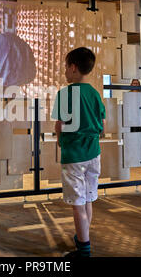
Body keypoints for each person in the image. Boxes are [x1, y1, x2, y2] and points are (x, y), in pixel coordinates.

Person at [51, 47, 105, 257]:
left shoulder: (65, 94)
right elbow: (102, 124)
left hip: (74, 155)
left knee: (77, 204)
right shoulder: (94, 93)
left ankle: (83, 250)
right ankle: (83, 237)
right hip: (93, 153)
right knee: (88, 199)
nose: (65, 71)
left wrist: (59, 140)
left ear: (73, 68)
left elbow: (60, 125)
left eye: (66, 67)